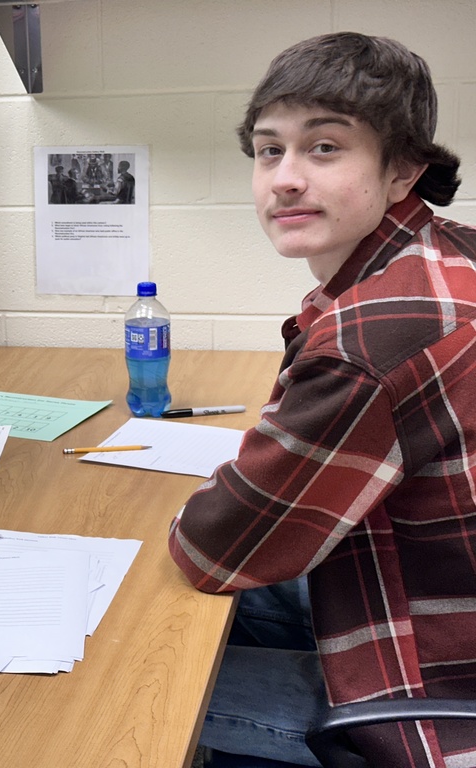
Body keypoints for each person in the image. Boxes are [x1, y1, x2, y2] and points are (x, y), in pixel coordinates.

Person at [168, 32, 476, 768]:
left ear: (404, 168)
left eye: (325, 148)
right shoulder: (447, 251)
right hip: (425, 584)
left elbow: (214, 549)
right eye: (269, 150)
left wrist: (213, 500)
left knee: (135, 686)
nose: (285, 178)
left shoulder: (375, 338)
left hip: (432, 690)